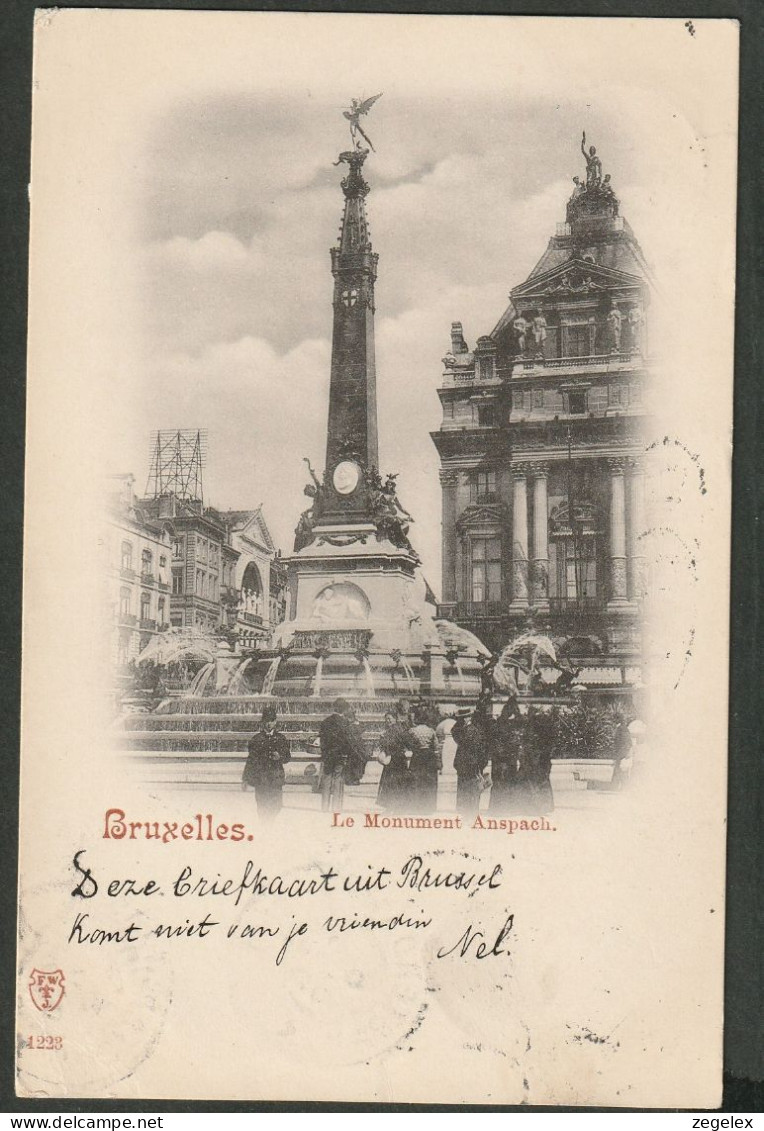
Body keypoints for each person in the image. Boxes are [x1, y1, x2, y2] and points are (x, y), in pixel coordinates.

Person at [241, 704, 291, 820]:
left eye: (272, 721)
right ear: (263, 722)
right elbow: (251, 760)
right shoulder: (256, 739)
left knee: (277, 806)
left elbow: (288, 757)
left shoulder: (281, 738)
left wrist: (280, 757)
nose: (269, 724)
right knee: (262, 808)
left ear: (276, 722)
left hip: (276, 778)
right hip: (261, 779)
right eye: (267, 721)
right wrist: (245, 778)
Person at [319, 698, 367, 811]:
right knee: (338, 780)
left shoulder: (325, 721)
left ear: (334, 708)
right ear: (344, 709)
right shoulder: (345, 722)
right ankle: (336, 808)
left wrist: (325, 752)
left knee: (326, 779)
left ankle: (324, 807)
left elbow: (322, 739)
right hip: (340, 755)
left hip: (327, 755)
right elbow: (356, 733)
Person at [453, 709, 491, 818]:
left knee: (466, 790)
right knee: (474, 790)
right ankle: (472, 812)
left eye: (461, 718)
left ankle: (467, 813)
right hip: (474, 765)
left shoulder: (463, 731)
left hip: (466, 765)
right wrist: (481, 765)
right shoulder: (476, 730)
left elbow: (454, 731)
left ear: (466, 718)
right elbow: (483, 750)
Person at [375, 707, 414, 811]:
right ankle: (397, 806)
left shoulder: (395, 730)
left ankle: (393, 806)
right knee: (396, 782)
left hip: (395, 759)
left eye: (390, 718)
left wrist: (383, 739)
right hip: (396, 758)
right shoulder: (396, 729)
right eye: (386, 719)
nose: (388, 721)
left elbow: (391, 744)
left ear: (395, 719)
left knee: (392, 782)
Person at [489, 697, 523, 814]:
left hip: (501, 759)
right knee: (506, 782)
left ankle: (497, 808)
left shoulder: (498, 724)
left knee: (499, 783)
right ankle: (507, 808)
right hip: (506, 758)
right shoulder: (508, 726)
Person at [408, 704, 441, 813]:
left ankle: (417, 807)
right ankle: (429, 807)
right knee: (429, 782)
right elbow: (436, 747)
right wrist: (439, 763)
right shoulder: (431, 730)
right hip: (429, 757)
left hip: (417, 756)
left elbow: (409, 744)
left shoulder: (412, 731)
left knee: (417, 781)